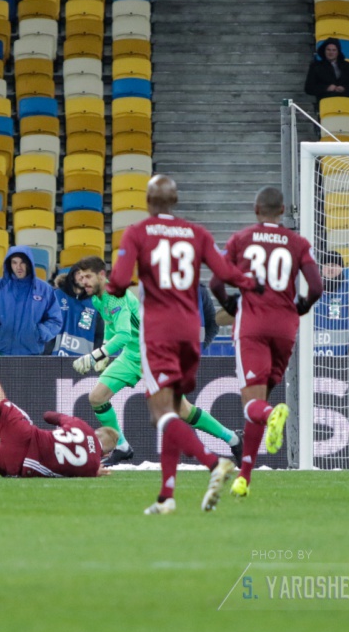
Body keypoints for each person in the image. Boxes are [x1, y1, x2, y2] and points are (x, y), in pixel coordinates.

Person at [106, 175, 258, 514]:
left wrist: (116, 287)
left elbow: (119, 281)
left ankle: (213, 462)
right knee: (173, 411)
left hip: (158, 331)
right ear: (175, 201)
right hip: (191, 332)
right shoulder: (196, 233)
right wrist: (254, 285)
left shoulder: (137, 232)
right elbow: (226, 273)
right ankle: (166, 496)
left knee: (160, 413)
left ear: (147, 201)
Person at [72, 257, 243, 466]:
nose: (83, 281)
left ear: (101, 275)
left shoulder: (115, 295)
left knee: (182, 410)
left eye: (88, 276)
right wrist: (106, 349)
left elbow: (124, 334)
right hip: (132, 354)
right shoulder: (97, 299)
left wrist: (95, 355)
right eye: (81, 277)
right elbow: (111, 325)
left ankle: (233, 439)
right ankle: (122, 447)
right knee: (97, 397)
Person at [210, 187, 324, 498]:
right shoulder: (297, 242)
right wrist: (301, 307)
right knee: (259, 403)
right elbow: (316, 287)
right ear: (283, 210)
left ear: (256, 209)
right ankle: (244, 477)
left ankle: (272, 415)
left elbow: (216, 281)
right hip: (285, 328)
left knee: (253, 404)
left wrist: (230, 304)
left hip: (253, 325)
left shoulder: (241, 239)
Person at [0, 376, 118, 478]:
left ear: (96, 431)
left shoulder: (82, 426)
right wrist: (94, 469)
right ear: (106, 455)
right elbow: (89, 469)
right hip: (23, 465)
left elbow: (48, 416)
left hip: (25, 434)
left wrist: (65, 425)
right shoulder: (91, 467)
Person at [0, 246, 62, 356]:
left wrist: (39, 333)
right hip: (1, 353)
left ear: (29, 263)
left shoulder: (44, 289)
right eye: (14, 263)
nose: (18, 267)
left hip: (33, 354)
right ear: (9, 264)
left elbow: (55, 319)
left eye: (22, 262)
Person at [313, 250, 349, 356]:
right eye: (327, 265)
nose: (330, 269)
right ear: (321, 268)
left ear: (341, 268)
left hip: (343, 361)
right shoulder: (312, 292)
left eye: (334, 265)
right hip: (315, 359)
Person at [48, 270, 103, 357]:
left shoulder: (96, 302)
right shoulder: (56, 296)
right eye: (79, 274)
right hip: (55, 360)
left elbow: (99, 336)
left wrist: (94, 358)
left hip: (85, 362)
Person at [305, 38, 349, 104]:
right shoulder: (315, 66)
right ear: (324, 51)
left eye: (334, 50)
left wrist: (344, 88)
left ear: (338, 52)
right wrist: (326, 88)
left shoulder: (348, 65)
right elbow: (309, 88)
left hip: (347, 97)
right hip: (326, 99)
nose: (331, 52)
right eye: (328, 50)